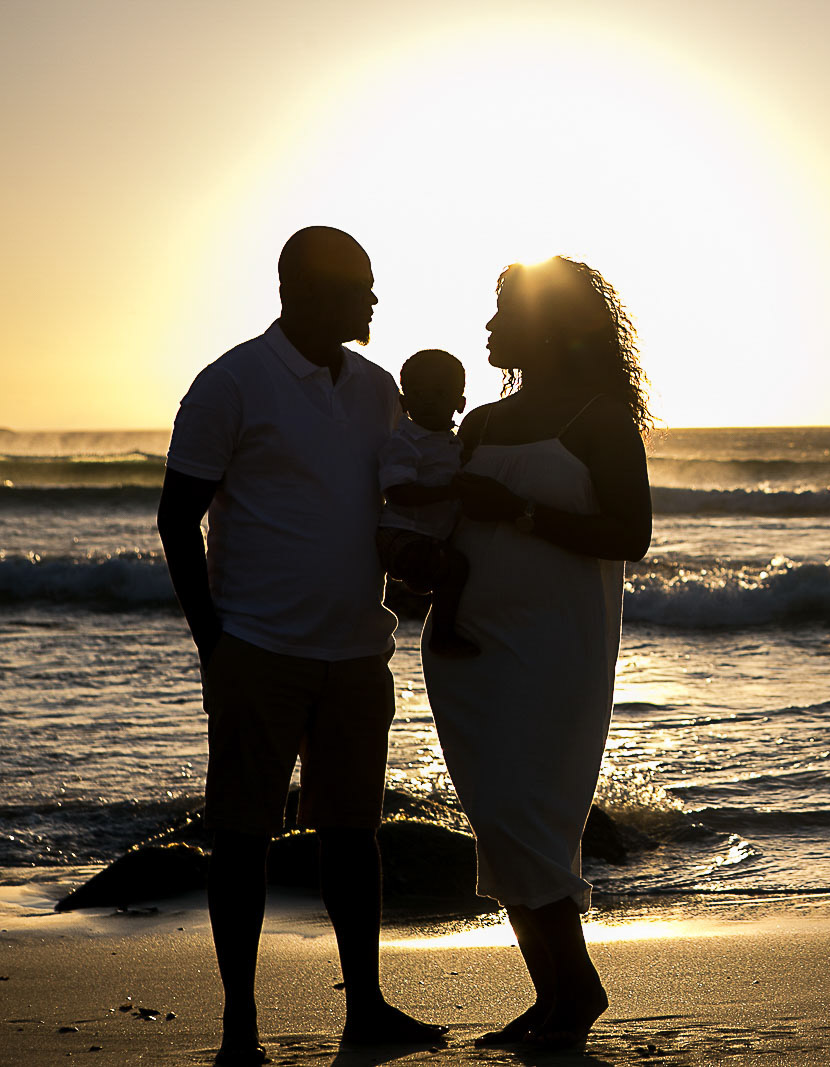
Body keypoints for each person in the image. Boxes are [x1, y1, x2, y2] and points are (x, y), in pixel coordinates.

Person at [157, 226, 448, 1064]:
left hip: (358, 649)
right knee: (242, 835)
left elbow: (391, 498)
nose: (373, 299)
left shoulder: (377, 389)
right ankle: (239, 1025)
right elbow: (177, 519)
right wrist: (213, 641)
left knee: (354, 834)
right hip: (257, 646)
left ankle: (367, 1009)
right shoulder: (231, 383)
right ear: (304, 291)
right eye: (359, 285)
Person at [421, 256, 652, 1053]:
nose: (489, 327)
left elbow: (631, 534)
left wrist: (519, 509)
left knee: (530, 813)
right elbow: (454, 528)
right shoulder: (481, 423)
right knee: (497, 818)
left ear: (549, 327)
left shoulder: (599, 419)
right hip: (466, 642)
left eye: (505, 313)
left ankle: (577, 987)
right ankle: (552, 990)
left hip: (557, 644)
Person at [377, 348, 479, 658]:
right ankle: (442, 636)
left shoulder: (454, 444)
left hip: (431, 536)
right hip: (399, 532)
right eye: (419, 393)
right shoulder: (404, 442)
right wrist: (449, 492)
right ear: (404, 402)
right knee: (455, 566)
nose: (429, 401)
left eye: (440, 393)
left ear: (460, 403)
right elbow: (398, 493)